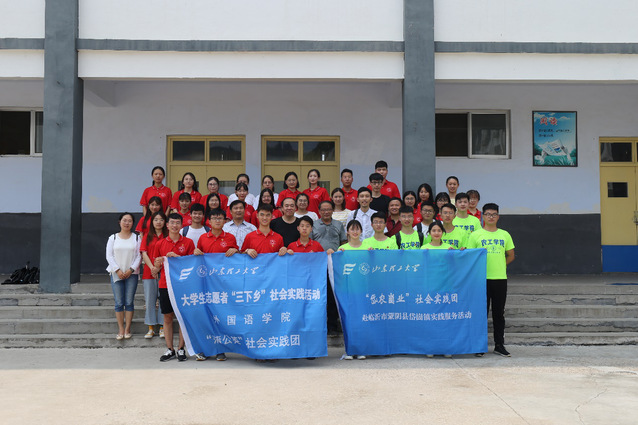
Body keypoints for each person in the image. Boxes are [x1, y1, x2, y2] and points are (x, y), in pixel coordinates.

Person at [467, 203, 515, 357]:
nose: (491, 217)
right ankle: (479, 346)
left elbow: (511, 255)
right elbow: (470, 256)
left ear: (498, 217)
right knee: (481, 313)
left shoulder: (504, 234)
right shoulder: (475, 235)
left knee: (498, 313)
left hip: (500, 278)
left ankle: (499, 345)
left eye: (494, 214)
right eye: (488, 214)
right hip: (481, 279)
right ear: (483, 216)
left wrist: (501, 264)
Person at [194, 207, 239, 361]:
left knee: (221, 317)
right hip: (206, 284)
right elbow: (197, 258)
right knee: (206, 317)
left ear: (225, 221)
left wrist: (235, 251)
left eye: (220, 218)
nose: (217, 221)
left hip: (224, 285)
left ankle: (220, 349)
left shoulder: (230, 238)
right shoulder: (203, 238)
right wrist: (196, 253)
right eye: (214, 218)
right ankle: (205, 349)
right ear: (209, 221)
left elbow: (238, 258)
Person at [152, 213, 195, 362]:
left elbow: (192, 264)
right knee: (167, 317)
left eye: (177, 223)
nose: (174, 225)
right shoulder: (160, 243)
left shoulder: (188, 242)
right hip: (165, 284)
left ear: (182, 225)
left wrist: (178, 258)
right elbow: (156, 268)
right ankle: (170, 349)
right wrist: (157, 264)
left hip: (183, 285)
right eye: (172, 223)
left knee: (183, 317)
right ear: (167, 225)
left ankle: (181, 348)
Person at [311, 200, 347, 336]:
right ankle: (320, 325)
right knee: (320, 295)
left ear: (333, 210)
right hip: (318, 265)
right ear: (319, 211)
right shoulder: (314, 225)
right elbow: (310, 242)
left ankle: (333, 325)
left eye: (329, 209)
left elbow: (343, 242)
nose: (326, 212)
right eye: (323, 210)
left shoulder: (338, 224)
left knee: (333, 295)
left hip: (335, 264)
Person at [105, 213, 142, 340]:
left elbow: (139, 256)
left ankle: (127, 329)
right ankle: (121, 329)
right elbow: (109, 256)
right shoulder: (113, 238)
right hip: (116, 274)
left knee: (129, 302)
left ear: (133, 223)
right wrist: (117, 270)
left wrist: (131, 269)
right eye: (124, 220)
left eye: (129, 221)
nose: (127, 223)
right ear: (119, 222)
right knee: (119, 302)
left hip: (132, 274)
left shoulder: (137, 238)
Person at [337, 219, 367, 361]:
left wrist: (372, 254)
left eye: (357, 229)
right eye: (352, 229)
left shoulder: (367, 247)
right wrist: (336, 254)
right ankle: (349, 350)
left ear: (361, 231)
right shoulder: (342, 249)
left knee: (362, 320)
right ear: (347, 232)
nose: (355, 232)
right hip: (347, 290)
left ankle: (361, 349)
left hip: (363, 289)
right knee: (348, 320)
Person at [140, 211, 168, 339]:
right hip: (148, 272)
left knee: (163, 300)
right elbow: (144, 253)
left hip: (164, 272)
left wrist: (158, 268)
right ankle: (150, 328)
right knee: (150, 300)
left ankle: (162, 327)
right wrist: (152, 268)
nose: (158, 222)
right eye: (156, 219)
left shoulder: (167, 236)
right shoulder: (147, 236)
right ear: (152, 222)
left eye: (161, 219)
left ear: (165, 222)